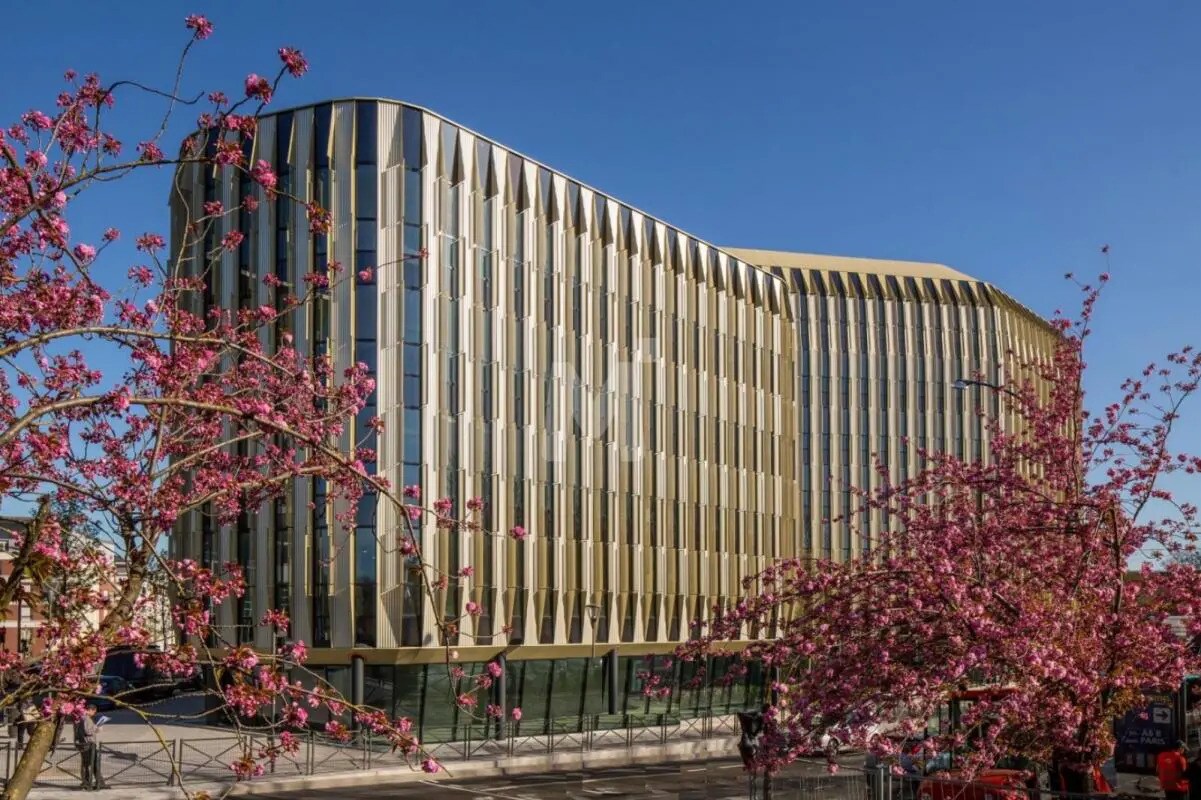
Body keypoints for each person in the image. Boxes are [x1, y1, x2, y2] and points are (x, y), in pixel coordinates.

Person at [73, 704, 105, 791]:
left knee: (89, 763)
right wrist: (97, 727)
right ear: (90, 710)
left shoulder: (82, 718)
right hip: (88, 744)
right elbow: (88, 731)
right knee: (89, 764)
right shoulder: (86, 718)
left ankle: (96, 782)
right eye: (94, 711)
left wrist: (96, 729)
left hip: (86, 743)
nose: (95, 713)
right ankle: (88, 783)